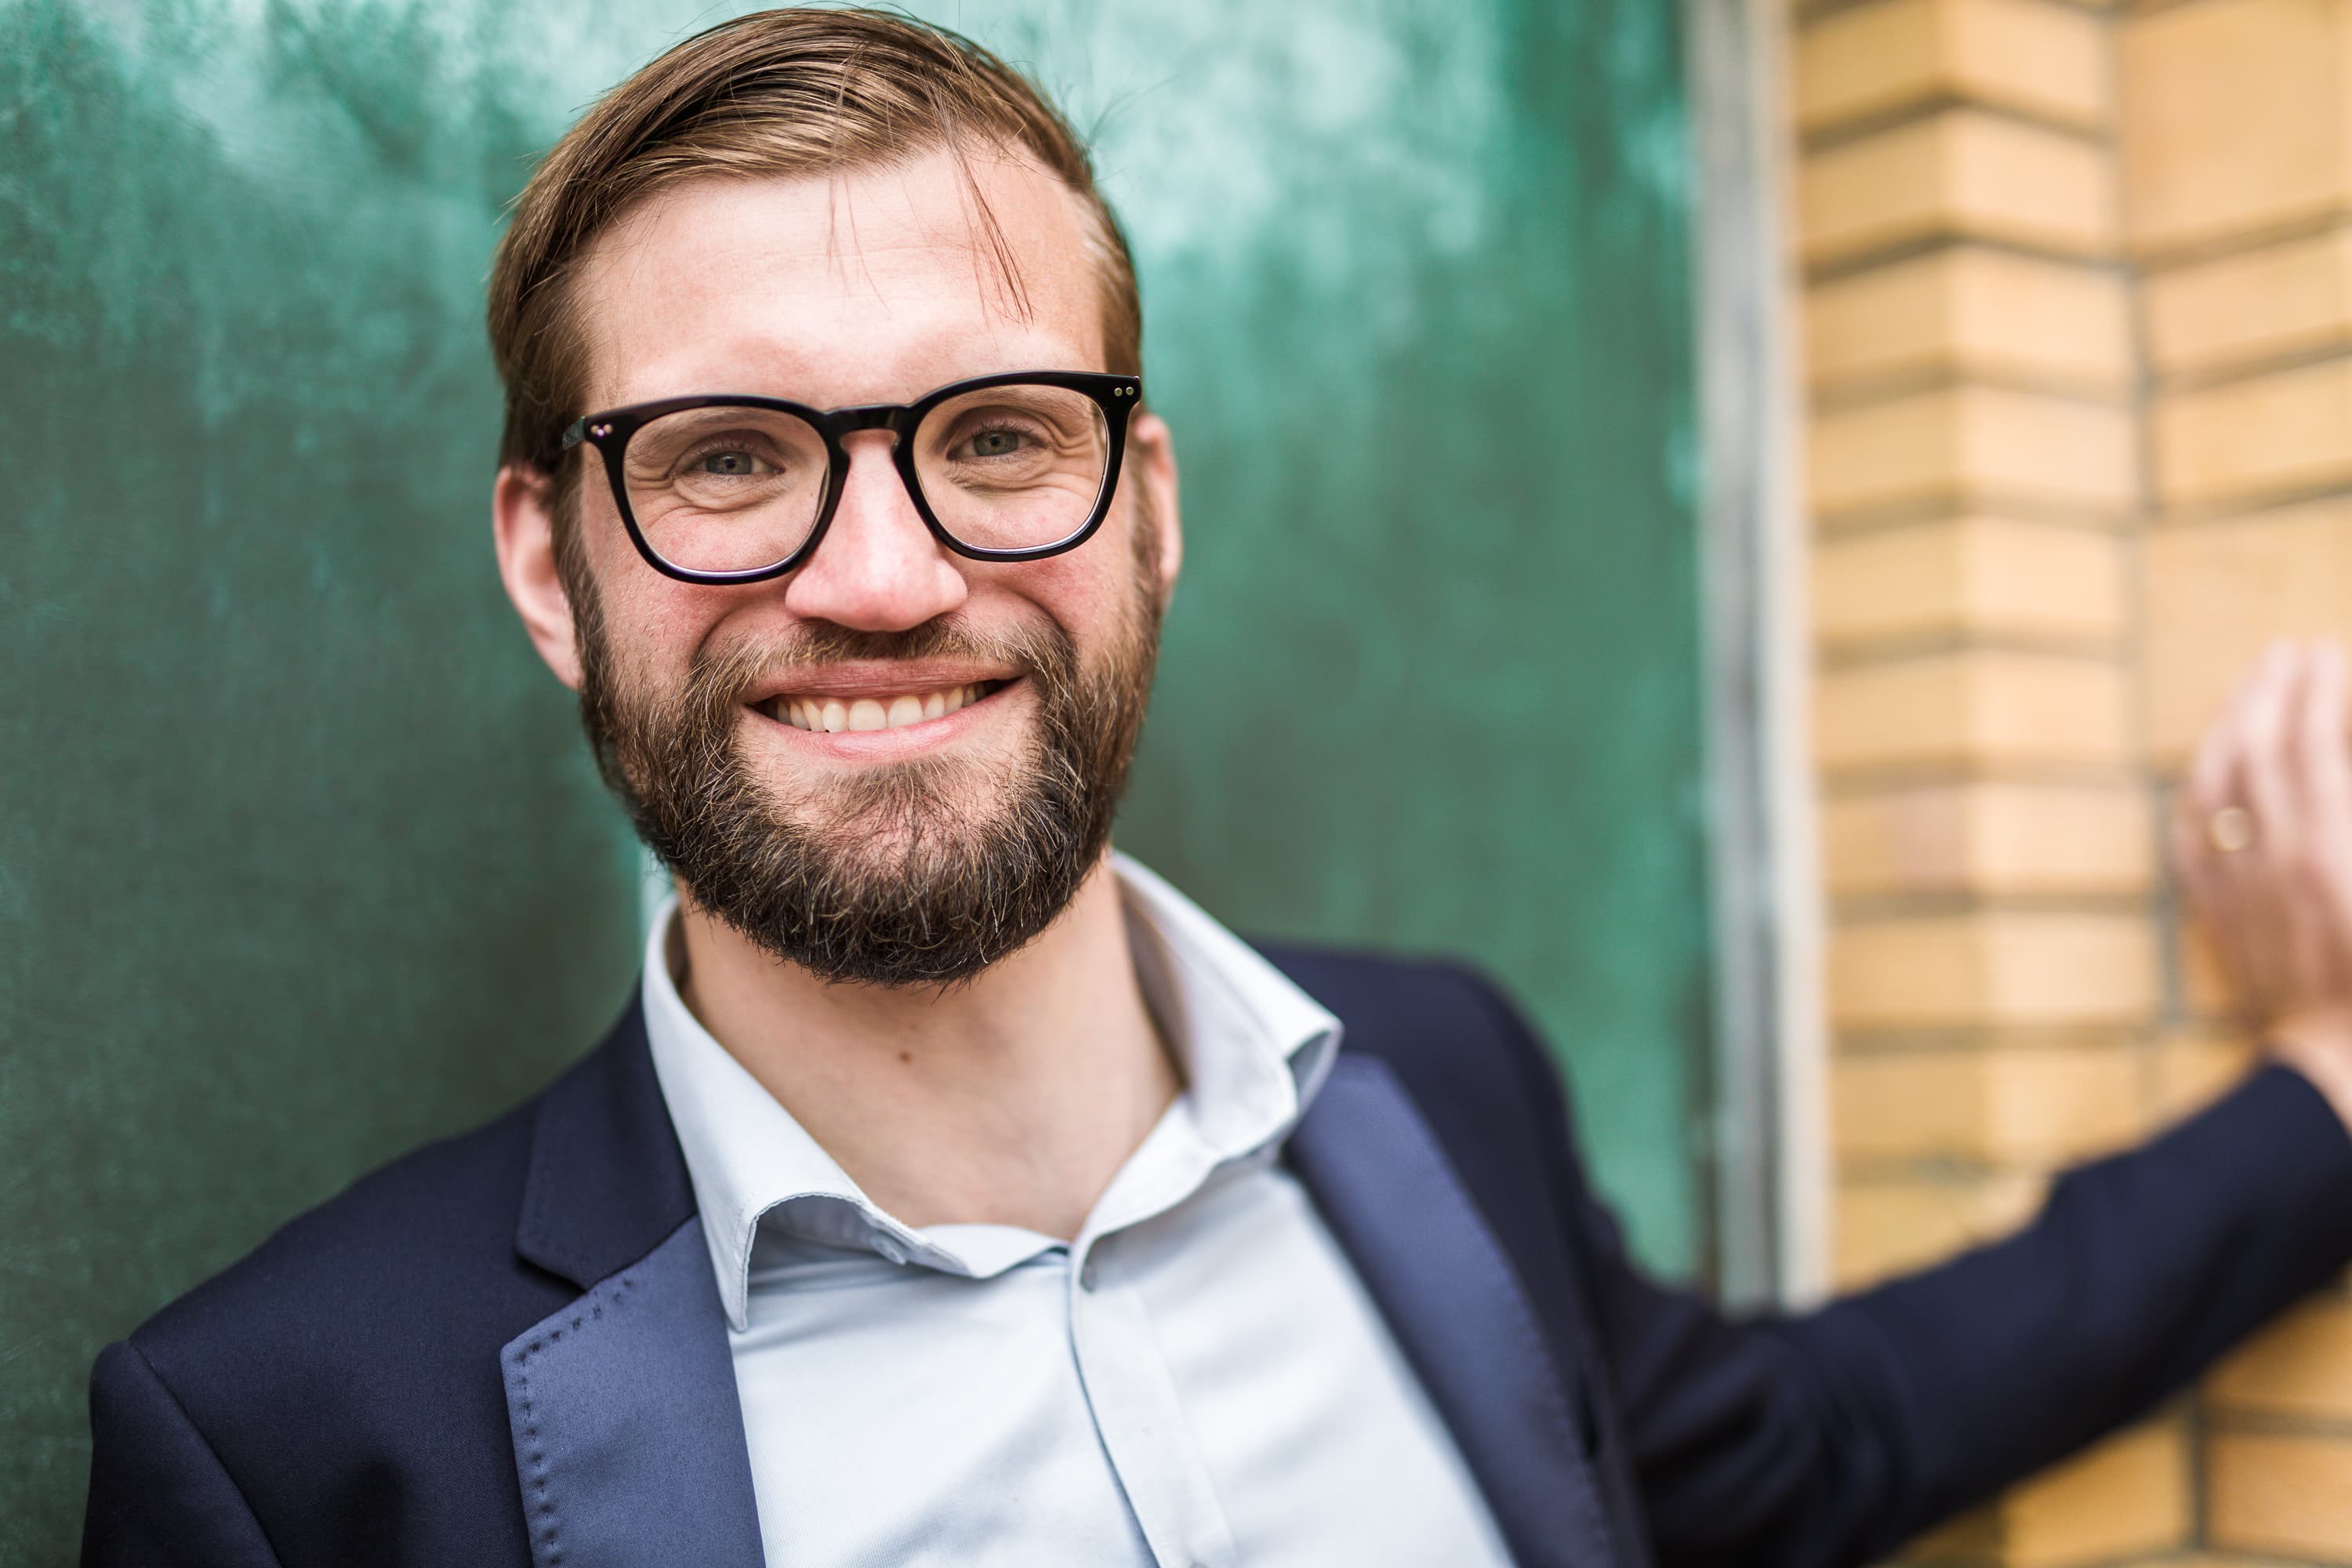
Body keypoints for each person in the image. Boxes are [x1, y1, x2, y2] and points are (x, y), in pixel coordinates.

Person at [76, 11, 2352, 1567]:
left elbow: (1823, 1447)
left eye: (996, 438)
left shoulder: (1440, 1084)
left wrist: (2326, 1084)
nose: (884, 576)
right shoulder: (287, 1443)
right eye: (729, 459)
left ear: (1147, 507)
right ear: (550, 569)